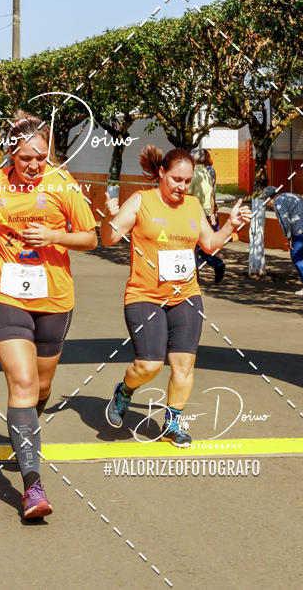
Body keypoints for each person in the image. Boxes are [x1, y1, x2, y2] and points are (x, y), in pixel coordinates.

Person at [0, 112, 97, 518]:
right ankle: (32, 487)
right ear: (10, 153)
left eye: (41, 156)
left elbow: (90, 238)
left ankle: (25, 431)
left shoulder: (63, 185)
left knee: (41, 386)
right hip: (2, 293)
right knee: (22, 383)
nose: (35, 165)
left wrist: (54, 235)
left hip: (54, 298)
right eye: (26, 158)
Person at [100, 145, 250, 447]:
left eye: (187, 181)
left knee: (184, 365)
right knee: (150, 365)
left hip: (186, 295)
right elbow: (109, 238)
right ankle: (124, 391)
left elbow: (210, 244)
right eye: (176, 179)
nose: (182, 187)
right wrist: (108, 218)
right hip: (145, 295)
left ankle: (172, 424)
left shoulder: (192, 205)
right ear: (161, 173)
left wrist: (230, 226)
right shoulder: (141, 201)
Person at [261, 187, 303, 296]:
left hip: (301, 231)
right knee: (302, 255)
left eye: (266, 201)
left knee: (296, 257)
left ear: (269, 198)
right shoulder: (291, 195)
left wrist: (288, 237)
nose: (267, 204)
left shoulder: (278, 203)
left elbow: (284, 221)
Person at [189, 150, 225, 283]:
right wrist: (212, 213)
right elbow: (211, 195)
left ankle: (196, 275)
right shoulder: (207, 173)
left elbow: (187, 195)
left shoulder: (192, 174)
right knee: (201, 244)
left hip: (193, 213)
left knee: (191, 245)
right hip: (206, 213)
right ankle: (215, 263)